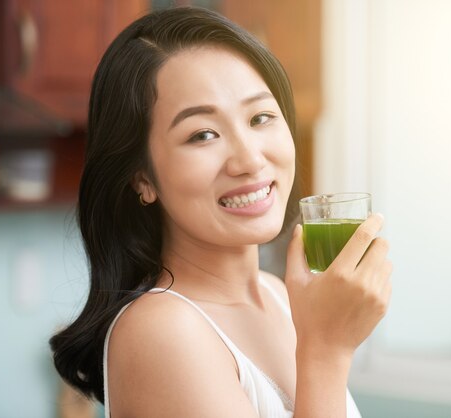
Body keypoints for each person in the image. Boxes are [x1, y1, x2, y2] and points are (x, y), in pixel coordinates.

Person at [50, 6, 392, 418]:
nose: (249, 159)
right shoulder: (161, 331)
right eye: (203, 134)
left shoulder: (280, 295)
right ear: (142, 179)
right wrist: (327, 351)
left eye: (260, 117)